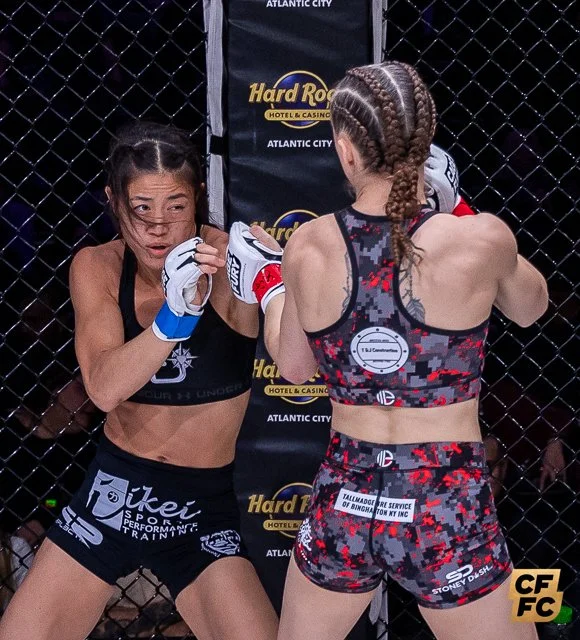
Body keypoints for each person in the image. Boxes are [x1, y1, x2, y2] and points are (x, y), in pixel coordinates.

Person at [226, 61, 548, 640]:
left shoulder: (309, 244)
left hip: (346, 496)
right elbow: (533, 306)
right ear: (427, 140)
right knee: (534, 619)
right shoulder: (480, 238)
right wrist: (458, 207)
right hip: (445, 499)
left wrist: (269, 283)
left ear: (345, 150)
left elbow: (293, 368)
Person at [0, 121, 278, 640]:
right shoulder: (98, 266)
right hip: (114, 493)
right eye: (142, 208)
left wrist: (275, 283)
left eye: (175, 206)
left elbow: (295, 362)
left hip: (201, 507)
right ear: (113, 201)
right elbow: (104, 389)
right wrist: (173, 318)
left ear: (197, 197)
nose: (158, 227)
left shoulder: (230, 260)